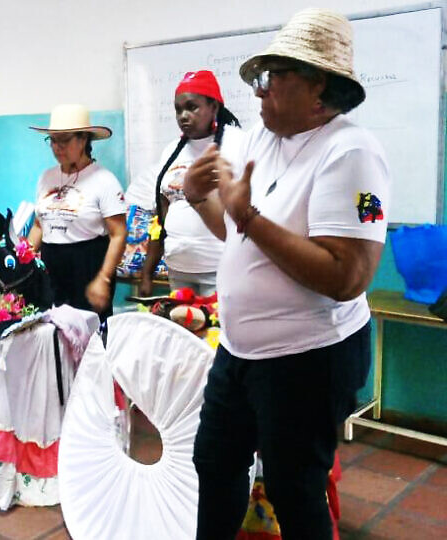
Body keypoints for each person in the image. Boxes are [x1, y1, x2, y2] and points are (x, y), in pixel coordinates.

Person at [185, 9, 390, 540]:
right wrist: (197, 198)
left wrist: (249, 216)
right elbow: (236, 237)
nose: (258, 92)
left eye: (272, 77)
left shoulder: (352, 153)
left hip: (309, 358)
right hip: (240, 351)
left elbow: (348, 276)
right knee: (214, 460)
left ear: (318, 85)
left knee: (293, 486)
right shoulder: (259, 138)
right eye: (260, 78)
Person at [138, 70, 240, 297]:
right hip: (178, 270)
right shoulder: (172, 150)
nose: (183, 115)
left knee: (216, 332)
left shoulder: (236, 143)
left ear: (213, 107)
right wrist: (147, 273)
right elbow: (160, 216)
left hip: (221, 270)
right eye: (178, 109)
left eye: (192, 107)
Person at [28, 104, 127, 320]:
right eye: (53, 140)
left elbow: (118, 234)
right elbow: (38, 225)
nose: (57, 147)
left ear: (83, 140)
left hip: (87, 266)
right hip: (51, 266)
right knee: (54, 333)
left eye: (64, 140)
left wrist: (104, 278)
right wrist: (22, 260)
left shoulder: (104, 180)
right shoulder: (46, 177)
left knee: (90, 338)